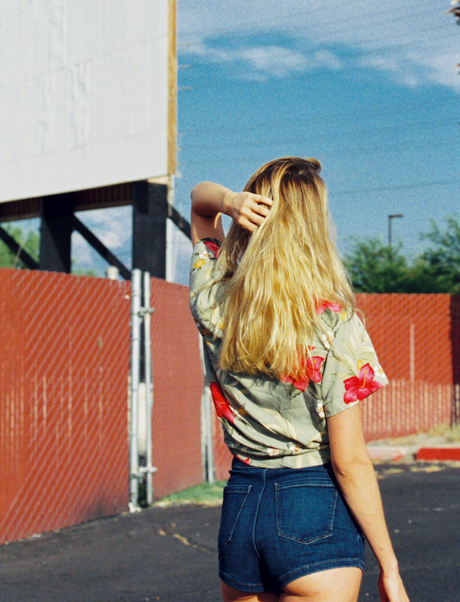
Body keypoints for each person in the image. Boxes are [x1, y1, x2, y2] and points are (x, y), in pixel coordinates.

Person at [189, 156, 410, 602]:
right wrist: (390, 566)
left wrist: (229, 202)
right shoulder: (336, 324)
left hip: (241, 509)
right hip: (313, 508)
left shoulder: (212, 300)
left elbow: (199, 204)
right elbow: (349, 462)